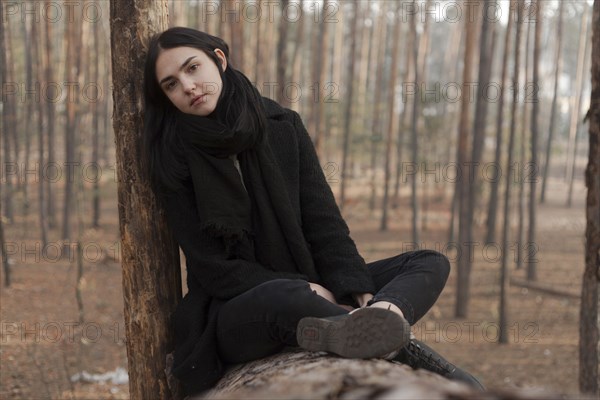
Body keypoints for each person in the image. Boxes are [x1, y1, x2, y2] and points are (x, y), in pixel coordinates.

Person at [143, 27, 483, 397]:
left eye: (193, 68)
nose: (188, 86)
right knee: (283, 297)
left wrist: (357, 288)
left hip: (311, 279)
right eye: (171, 84)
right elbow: (212, 268)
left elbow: (325, 224)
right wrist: (303, 286)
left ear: (219, 60)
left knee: (428, 261)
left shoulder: (282, 126)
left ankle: (379, 319)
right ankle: (413, 356)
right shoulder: (172, 158)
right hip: (238, 309)